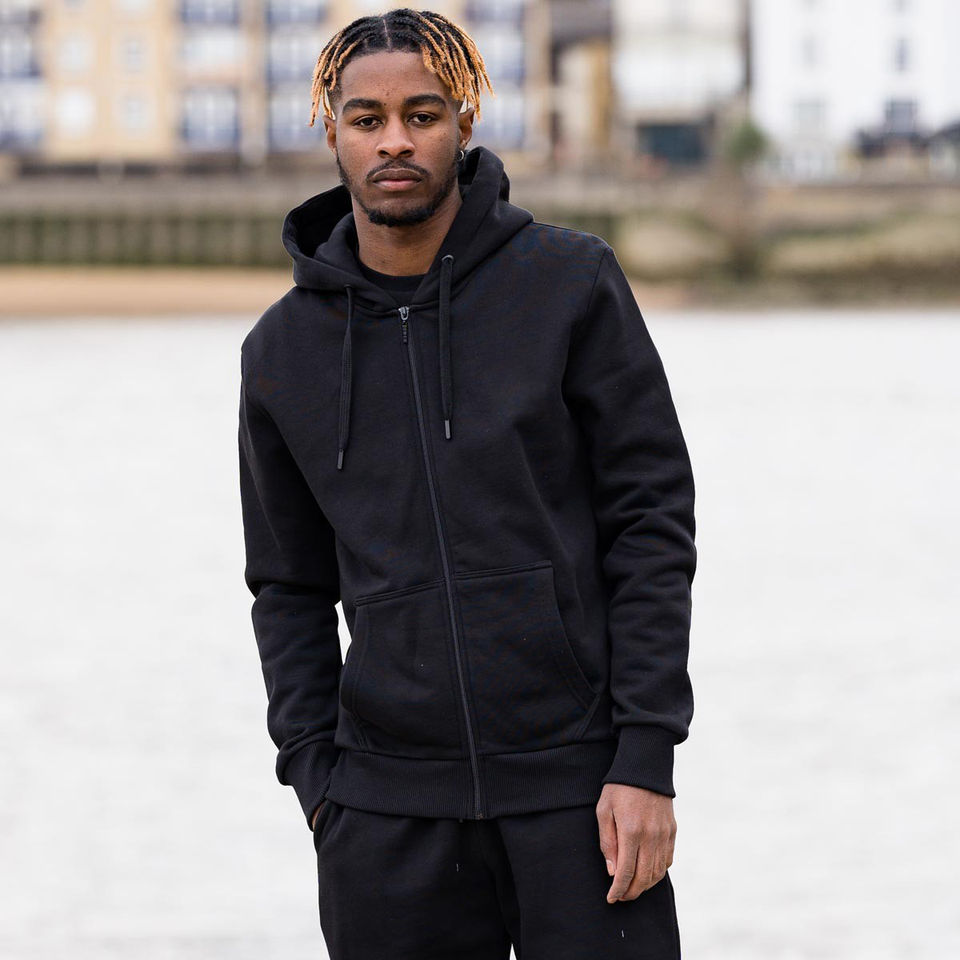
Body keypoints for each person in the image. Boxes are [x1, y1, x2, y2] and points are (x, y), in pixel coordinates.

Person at [237, 8, 696, 958]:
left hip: (583, 798)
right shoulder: (282, 351)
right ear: (332, 132)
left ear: (465, 122)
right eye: (367, 119)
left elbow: (651, 524)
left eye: (422, 114)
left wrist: (646, 756)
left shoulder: (569, 283)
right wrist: (321, 787)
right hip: (386, 821)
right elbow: (286, 585)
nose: (394, 141)